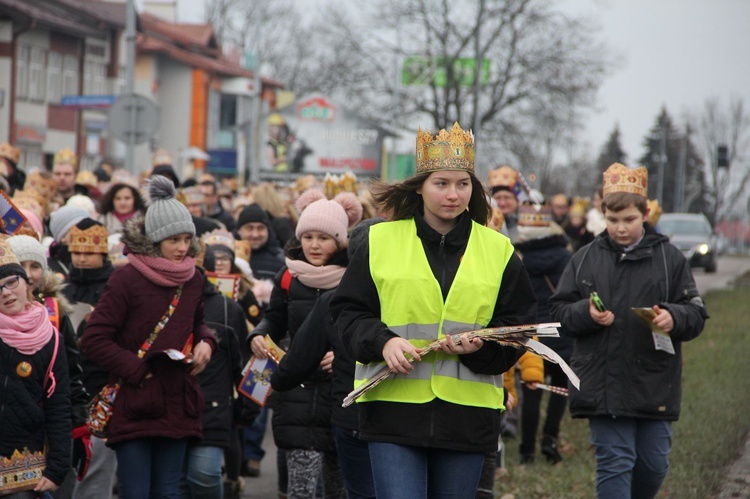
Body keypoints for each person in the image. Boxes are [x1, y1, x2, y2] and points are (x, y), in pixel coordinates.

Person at [330, 123, 538, 498]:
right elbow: (347, 312)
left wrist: (484, 348)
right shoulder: (380, 241)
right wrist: (383, 343)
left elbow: (519, 327)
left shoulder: (498, 250)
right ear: (420, 186)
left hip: (468, 416)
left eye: (462, 184)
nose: (453, 194)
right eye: (441, 183)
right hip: (392, 409)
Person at [549, 163, 709, 498]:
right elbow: (560, 311)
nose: (620, 229)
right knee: (615, 462)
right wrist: (586, 313)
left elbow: (695, 312)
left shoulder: (670, 259)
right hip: (602, 381)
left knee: (653, 466)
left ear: (646, 213)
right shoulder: (584, 258)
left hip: (654, 381)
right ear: (602, 214)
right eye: (612, 220)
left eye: (629, 220)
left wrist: (673, 318)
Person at [80, 176, 216, 499]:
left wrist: (206, 342)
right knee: (136, 492)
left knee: (169, 492)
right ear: (155, 239)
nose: (183, 247)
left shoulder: (194, 278)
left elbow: (199, 322)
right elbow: (95, 338)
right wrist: (137, 370)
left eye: (187, 239)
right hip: (135, 399)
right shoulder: (126, 277)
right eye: (174, 240)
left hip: (177, 399)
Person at [250, 188, 362, 499]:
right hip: (297, 390)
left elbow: (363, 329)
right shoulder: (288, 276)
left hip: (337, 393)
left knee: (339, 489)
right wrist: (258, 334)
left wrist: (342, 354)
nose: (314, 244)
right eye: (308, 236)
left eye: (324, 237)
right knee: (300, 488)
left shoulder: (355, 278)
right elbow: (274, 318)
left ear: (339, 240)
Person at [271, 217, 384, 499]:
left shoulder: (335, 300)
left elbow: (297, 361)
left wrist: (278, 380)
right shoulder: (417, 298)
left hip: (352, 414)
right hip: (407, 414)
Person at [8, 234, 92, 497]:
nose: (29, 274)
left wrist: (76, 419)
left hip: (41, 431)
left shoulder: (53, 318)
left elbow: (67, 383)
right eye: (23, 266)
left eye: (35, 267)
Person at [0, 237, 72, 496]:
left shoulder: (50, 337)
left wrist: (58, 467)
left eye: (11, 282)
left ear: (25, 283)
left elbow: (59, 403)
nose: (6, 292)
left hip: (25, 462)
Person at [512, 200, 573, 465]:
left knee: (532, 391)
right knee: (559, 389)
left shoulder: (518, 258)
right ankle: (550, 440)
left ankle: (526, 451)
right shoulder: (567, 258)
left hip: (533, 333)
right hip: (562, 332)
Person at [47, 206, 90, 281]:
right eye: (79, 228)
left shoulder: (98, 261)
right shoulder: (49, 268)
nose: (86, 232)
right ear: (63, 237)